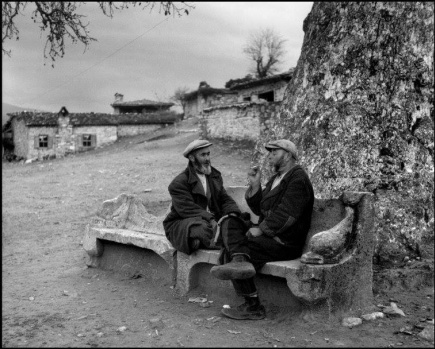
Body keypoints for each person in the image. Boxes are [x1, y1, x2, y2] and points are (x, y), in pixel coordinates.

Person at [210, 139, 315, 320]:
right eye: (269, 152)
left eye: (275, 152)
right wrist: (256, 186)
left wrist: (262, 229)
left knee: (236, 248)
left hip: (284, 242)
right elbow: (262, 209)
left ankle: (253, 307)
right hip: (270, 238)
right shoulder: (277, 179)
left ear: (288, 155)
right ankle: (240, 261)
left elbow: (287, 214)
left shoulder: (298, 178)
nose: (270, 155)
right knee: (230, 221)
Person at [163, 139, 243, 255]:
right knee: (202, 228)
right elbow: (187, 209)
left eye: (208, 154)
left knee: (237, 222)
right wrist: (210, 219)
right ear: (192, 158)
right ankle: (223, 243)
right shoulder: (179, 183)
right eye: (203, 155)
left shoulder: (214, 176)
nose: (207, 159)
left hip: (212, 220)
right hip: (183, 221)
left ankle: (205, 241)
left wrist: (232, 212)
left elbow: (224, 198)